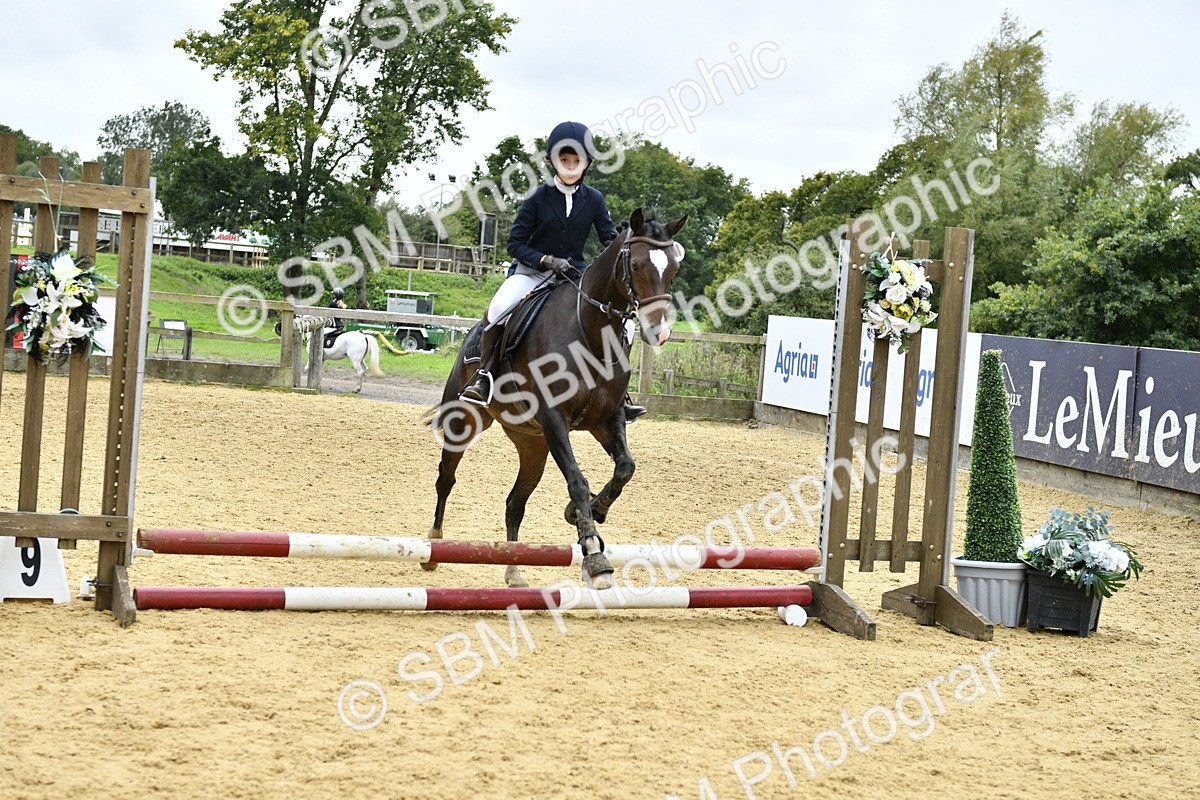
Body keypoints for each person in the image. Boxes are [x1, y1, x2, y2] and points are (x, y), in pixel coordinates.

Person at [460, 120, 646, 423]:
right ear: (553, 162)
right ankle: (484, 377)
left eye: (576, 161)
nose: (571, 166)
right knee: (498, 308)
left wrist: (628, 248)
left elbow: (609, 239)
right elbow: (515, 244)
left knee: (625, 325)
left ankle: (618, 396)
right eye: (565, 160)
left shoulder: (595, 200)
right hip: (531, 272)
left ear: (586, 164)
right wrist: (546, 259)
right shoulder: (537, 197)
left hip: (573, 277)